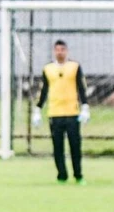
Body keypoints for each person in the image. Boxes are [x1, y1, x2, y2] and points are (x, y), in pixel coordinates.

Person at [33, 40, 90, 185]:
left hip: (72, 113)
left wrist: (85, 107)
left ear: (67, 51)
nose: (60, 52)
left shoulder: (74, 67)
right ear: (54, 51)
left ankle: (78, 175)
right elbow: (44, 90)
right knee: (57, 147)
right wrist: (38, 109)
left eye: (62, 49)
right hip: (55, 113)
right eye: (57, 50)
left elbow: (81, 88)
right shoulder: (48, 69)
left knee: (75, 146)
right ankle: (62, 176)